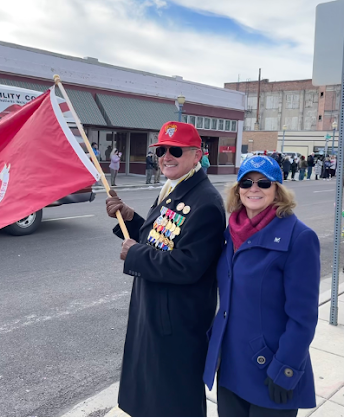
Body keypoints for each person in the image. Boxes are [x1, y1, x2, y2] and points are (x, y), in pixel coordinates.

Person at [105, 121, 226, 417]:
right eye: (161, 150)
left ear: (197, 155)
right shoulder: (175, 187)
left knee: (173, 401)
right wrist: (131, 218)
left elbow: (188, 266)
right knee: (152, 397)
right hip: (156, 312)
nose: (166, 157)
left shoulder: (205, 202)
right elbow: (163, 238)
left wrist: (135, 255)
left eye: (175, 150)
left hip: (177, 323)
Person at [204, 155, 320, 417]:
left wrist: (286, 367)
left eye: (263, 183)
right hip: (231, 365)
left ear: (277, 189)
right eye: (246, 182)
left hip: (269, 368)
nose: (253, 188)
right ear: (237, 190)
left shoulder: (300, 238)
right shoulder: (230, 233)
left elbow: (303, 317)